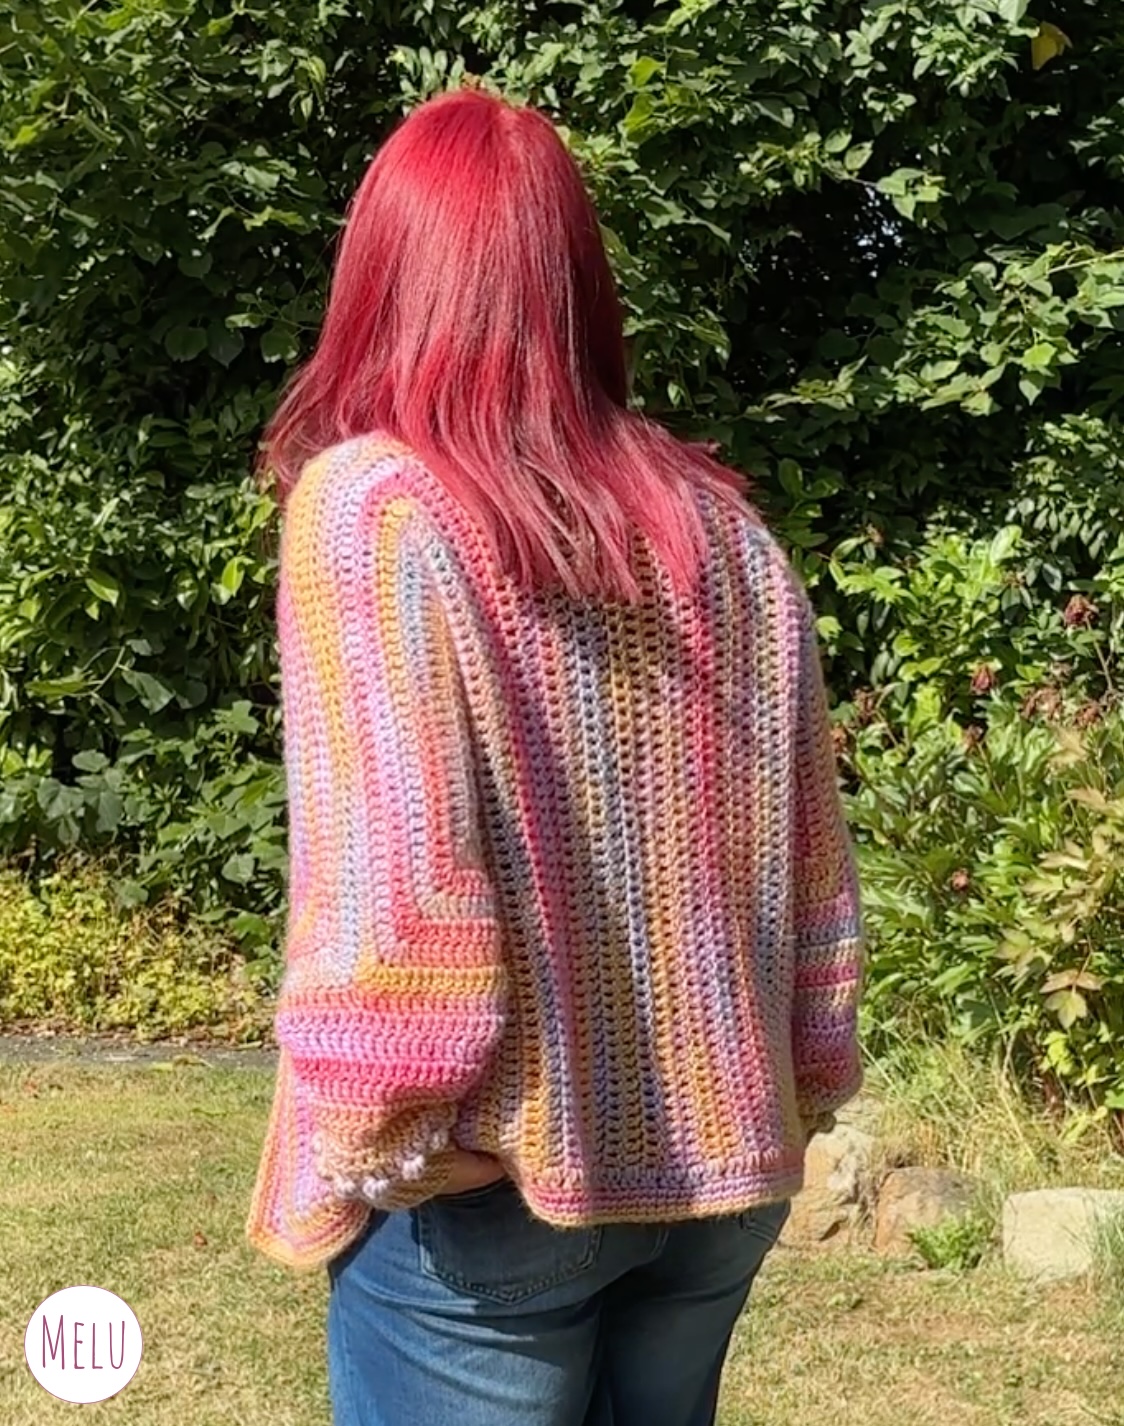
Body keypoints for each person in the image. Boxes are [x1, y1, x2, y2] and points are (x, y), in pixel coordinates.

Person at [245, 82, 863, 1426]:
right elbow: (811, 865)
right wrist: (806, 1077)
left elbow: (399, 895)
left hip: (500, 1192)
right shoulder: (724, 533)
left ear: (381, 277)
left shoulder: (377, 510)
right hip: (720, 1178)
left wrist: (379, 1139)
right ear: (580, 286)